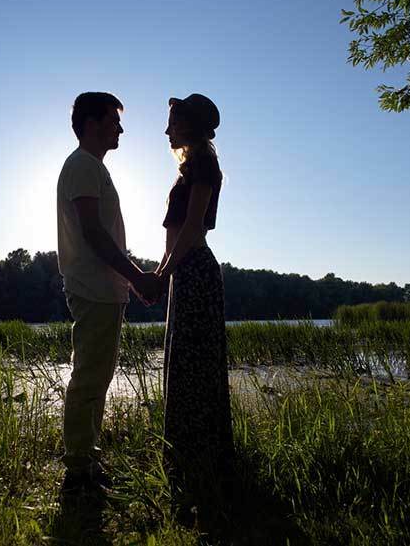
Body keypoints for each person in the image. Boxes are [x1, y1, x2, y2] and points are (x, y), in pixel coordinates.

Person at [56, 91, 161, 499]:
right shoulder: (82, 164)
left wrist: (127, 281)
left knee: (97, 376)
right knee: (89, 378)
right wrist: (136, 276)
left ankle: (87, 459)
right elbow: (93, 233)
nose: (120, 128)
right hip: (93, 287)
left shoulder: (92, 167)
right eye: (114, 120)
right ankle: (78, 472)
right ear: (93, 123)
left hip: (104, 289)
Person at [155, 93, 234, 522]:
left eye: (174, 123)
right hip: (185, 274)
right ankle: (188, 458)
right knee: (184, 364)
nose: (167, 131)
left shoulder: (203, 164)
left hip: (195, 272)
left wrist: (162, 273)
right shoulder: (191, 167)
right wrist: (163, 271)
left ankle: (200, 460)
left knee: (194, 366)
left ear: (193, 127)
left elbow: (190, 228)